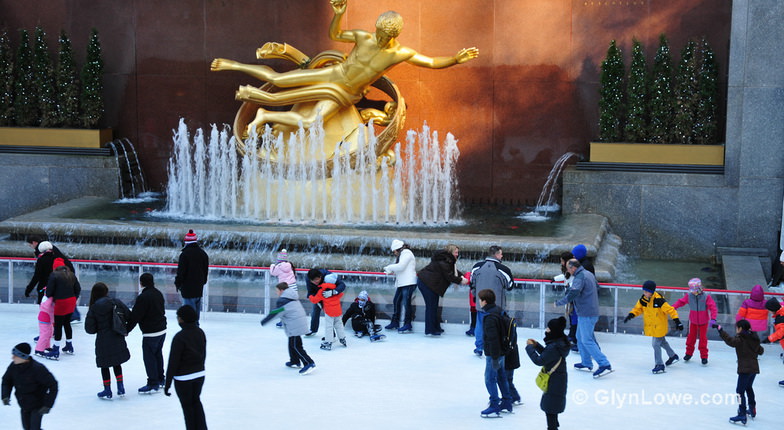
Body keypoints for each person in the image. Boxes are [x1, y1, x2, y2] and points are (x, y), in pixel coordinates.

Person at [211, 0, 479, 134]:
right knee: (280, 81)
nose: (380, 37)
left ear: (395, 34)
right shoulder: (364, 37)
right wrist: (338, 15)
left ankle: (266, 116)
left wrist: (456, 59)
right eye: (379, 32)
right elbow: (336, 35)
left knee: (309, 122)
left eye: (385, 35)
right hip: (332, 73)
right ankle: (234, 64)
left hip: (346, 92)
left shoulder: (400, 53)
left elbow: (431, 62)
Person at [555, 259, 612, 378]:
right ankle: (586, 362)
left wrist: (560, 302)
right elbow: (597, 287)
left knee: (586, 340)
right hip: (587, 311)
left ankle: (604, 363)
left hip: (587, 313)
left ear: (573, 268)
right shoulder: (588, 274)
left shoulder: (580, 277)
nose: (567, 270)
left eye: (568, 268)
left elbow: (573, 293)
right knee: (579, 337)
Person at [622, 280, 683, 373]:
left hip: (659, 326)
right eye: (644, 291)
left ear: (652, 291)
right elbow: (638, 309)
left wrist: (677, 321)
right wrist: (631, 315)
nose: (644, 293)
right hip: (652, 326)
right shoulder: (643, 300)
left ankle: (659, 364)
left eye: (646, 291)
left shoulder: (659, 300)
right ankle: (672, 355)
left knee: (655, 344)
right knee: (662, 342)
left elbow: (671, 310)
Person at [84, 282, 131, 399]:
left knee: (104, 365)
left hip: (103, 340)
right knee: (116, 362)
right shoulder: (116, 302)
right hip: (117, 336)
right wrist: (124, 329)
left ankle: (107, 389)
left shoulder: (94, 308)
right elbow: (129, 315)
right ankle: (120, 387)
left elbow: (89, 329)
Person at [165, 305, 208, 430]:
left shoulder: (180, 337)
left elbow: (173, 362)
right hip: (199, 375)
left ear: (182, 319)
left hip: (183, 379)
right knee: (196, 403)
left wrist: (167, 383)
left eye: (178, 317)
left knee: (187, 408)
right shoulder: (200, 332)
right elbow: (203, 354)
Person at [713, 319, 763, 424]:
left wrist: (720, 330)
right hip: (754, 369)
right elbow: (761, 351)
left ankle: (742, 414)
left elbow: (730, 341)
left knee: (740, 392)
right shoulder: (754, 338)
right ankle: (752, 409)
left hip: (745, 369)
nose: (736, 329)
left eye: (737, 327)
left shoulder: (741, 339)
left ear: (740, 328)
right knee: (748, 388)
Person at [525, 317, 570, 430]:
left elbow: (539, 361)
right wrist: (537, 346)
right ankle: (554, 423)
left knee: (550, 407)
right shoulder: (559, 343)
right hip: (558, 379)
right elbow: (548, 355)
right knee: (552, 405)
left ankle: (553, 426)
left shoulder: (554, 347)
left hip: (554, 381)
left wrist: (529, 348)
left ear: (553, 330)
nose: (546, 330)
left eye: (548, 328)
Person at [261, 282, 316, 374]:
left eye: (277, 291)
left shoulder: (283, 301)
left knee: (296, 346)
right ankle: (294, 361)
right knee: (292, 343)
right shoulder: (291, 297)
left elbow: (276, 312)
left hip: (295, 325)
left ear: (282, 290)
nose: (277, 292)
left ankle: (309, 363)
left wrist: (265, 321)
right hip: (297, 322)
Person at [1, 343, 58, 430]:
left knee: (34, 428)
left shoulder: (38, 369)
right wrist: (5, 395)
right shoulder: (13, 366)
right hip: (24, 404)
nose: (12, 358)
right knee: (27, 427)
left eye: (15, 355)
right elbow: (7, 381)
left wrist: (48, 405)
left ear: (23, 357)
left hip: (38, 405)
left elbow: (53, 385)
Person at [470, 246, 513, 356]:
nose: (502, 256)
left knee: (480, 325)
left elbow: (472, 283)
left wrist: (477, 296)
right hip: (497, 306)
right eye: (501, 254)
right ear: (497, 255)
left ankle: (479, 348)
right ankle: (497, 347)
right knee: (497, 326)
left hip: (482, 304)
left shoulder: (476, 267)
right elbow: (510, 286)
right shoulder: (504, 269)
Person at [128, 273, 167, 394]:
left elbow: (135, 316)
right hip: (162, 330)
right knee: (157, 354)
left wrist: (126, 329)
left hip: (151, 332)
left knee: (149, 357)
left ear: (141, 283)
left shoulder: (143, 297)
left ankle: (153, 383)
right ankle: (161, 378)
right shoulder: (158, 293)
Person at [417, 243, 468, 336]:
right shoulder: (444, 261)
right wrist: (461, 280)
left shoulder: (447, 260)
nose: (457, 254)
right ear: (451, 252)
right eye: (456, 252)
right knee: (431, 307)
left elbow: (453, 271)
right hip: (427, 284)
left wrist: (462, 276)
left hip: (431, 284)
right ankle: (430, 330)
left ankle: (436, 327)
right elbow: (449, 276)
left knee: (434, 306)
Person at [477, 289, 513, 418]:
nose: (479, 302)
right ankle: (507, 402)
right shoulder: (498, 310)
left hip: (494, 353)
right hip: (501, 351)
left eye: (480, 300)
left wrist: (494, 357)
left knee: (489, 378)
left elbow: (493, 338)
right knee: (501, 376)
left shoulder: (489, 317)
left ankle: (494, 404)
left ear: (484, 301)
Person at [672, 278, 717, 364]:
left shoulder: (706, 297)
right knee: (691, 338)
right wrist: (672, 308)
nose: (692, 291)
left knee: (703, 339)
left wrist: (713, 318)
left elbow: (713, 307)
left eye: (694, 290)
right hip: (693, 321)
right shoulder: (689, 296)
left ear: (699, 289)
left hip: (704, 322)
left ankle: (704, 356)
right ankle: (688, 353)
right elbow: (680, 302)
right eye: (691, 290)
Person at [42, 258, 80, 360]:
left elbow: (49, 292)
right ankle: (69, 345)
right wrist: (73, 298)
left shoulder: (54, 275)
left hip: (61, 302)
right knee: (67, 323)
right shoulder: (71, 274)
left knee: (58, 325)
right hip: (71, 301)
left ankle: (55, 350)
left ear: (55, 267)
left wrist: (52, 296)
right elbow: (78, 289)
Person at [383, 239, 417, 333]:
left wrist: (389, 267)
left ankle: (407, 323)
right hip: (402, 283)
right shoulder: (403, 254)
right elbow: (400, 268)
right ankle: (395, 322)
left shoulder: (406, 253)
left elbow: (401, 266)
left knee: (406, 304)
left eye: (394, 251)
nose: (394, 253)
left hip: (408, 283)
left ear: (398, 249)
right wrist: (391, 270)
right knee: (396, 301)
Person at [175, 229, 209, 322]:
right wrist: (203, 282)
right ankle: (196, 331)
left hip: (187, 290)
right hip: (198, 288)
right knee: (196, 315)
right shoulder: (203, 254)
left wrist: (178, 284)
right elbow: (205, 271)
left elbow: (181, 272)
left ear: (186, 242)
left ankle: (189, 332)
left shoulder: (184, 254)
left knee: (188, 315)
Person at [309, 273, 346, 350]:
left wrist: (310, 296)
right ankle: (342, 338)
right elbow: (341, 294)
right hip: (338, 311)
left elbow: (315, 300)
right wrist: (334, 293)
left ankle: (328, 342)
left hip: (329, 312)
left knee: (329, 327)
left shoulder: (322, 290)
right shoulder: (335, 289)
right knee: (339, 325)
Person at [305, 268, 347, 336]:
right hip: (318, 296)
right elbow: (310, 291)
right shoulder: (308, 279)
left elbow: (342, 285)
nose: (315, 282)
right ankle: (313, 330)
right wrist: (314, 299)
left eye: (317, 280)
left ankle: (331, 334)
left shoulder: (328, 276)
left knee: (330, 316)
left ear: (320, 277)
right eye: (313, 281)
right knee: (315, 310)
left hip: (330, 297)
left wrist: (333, 292)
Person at [760, 297, 784, 388]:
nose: (769, 312)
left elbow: (781, 333)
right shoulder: (781, 311)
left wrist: (769, 339)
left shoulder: (780, 319)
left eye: (769, 310)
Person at [34, 293, 54, 357]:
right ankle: (39, 349)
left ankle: (46, 346)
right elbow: (46, 307)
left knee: (49, 333)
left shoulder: (48, 297)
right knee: (45, 334)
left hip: (47, 318)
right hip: (45, 318)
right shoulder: (49, 298)